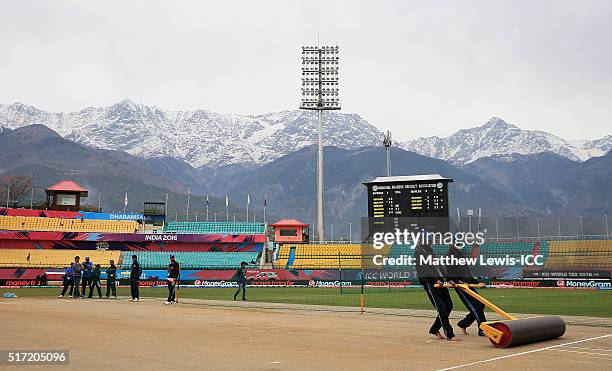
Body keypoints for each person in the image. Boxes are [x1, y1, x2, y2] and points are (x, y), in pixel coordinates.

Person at [414, 241, 456, 341]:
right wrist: (434, 279)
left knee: (449, 306)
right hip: (431, 283)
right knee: (441, 308)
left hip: (440, 281)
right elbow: (423, 269)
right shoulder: (418, 252)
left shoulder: (430, 251)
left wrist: (448, 278)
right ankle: (449, 334)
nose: (431, 242)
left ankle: (434, 329)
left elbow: (439, 266)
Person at [445, 244, 487, 336]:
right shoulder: (449, 256)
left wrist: (476, 283)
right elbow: (448, 271)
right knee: (475, 307)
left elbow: (467, 271)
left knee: (480, 304)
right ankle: (483, 329)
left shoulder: (460, 254)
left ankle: (463, 324)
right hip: (461, 286)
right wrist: (455, 281)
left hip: (468, 284)